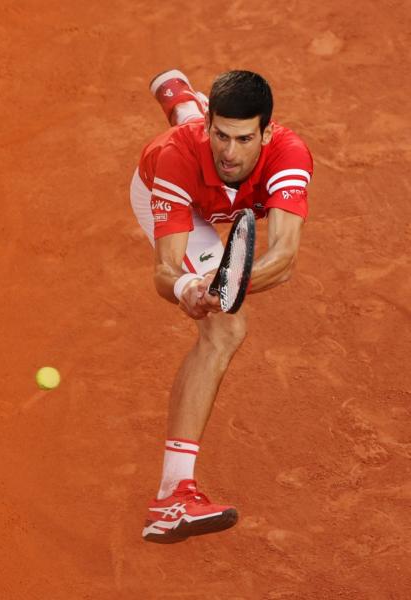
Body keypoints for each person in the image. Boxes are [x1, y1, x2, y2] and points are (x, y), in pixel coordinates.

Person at [130, 69, 312, 543]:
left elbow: (284, 259)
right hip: (181, 199)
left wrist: (229, 285)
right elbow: (163, 272)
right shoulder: (174, 158)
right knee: (225, 330)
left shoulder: (289, 153)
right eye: (222, 135)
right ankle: (172, 497)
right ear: (212, 126)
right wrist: (192, 288)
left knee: (228, 307)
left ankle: (181, 99)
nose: (232, 151)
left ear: (268, 132)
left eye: (245, 137)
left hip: (212, 185)